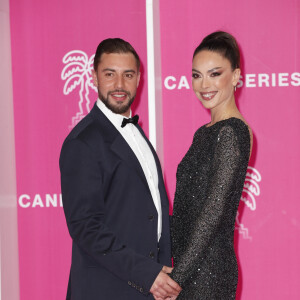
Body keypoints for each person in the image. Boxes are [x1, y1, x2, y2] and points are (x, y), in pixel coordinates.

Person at [59, 38, 181, 300]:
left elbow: (153, 215)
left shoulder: (137, 134)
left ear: (138, 79)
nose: (119, 85)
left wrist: (162, 275)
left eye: (128, 75)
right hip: (105, 290)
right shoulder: (83, 142)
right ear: (94, 77)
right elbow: (85, 226)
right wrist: (147, 274)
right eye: (109, 74)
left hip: (149, 289)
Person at [170, 31, 253, 299]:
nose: (204, 84)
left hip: (209, 272)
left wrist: (176, 278)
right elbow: (186, 210)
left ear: (236, 76)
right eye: (196, 75)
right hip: (190, 264)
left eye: (214, 73)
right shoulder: (204, 132)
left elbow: (212, 213)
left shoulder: (232, 131)